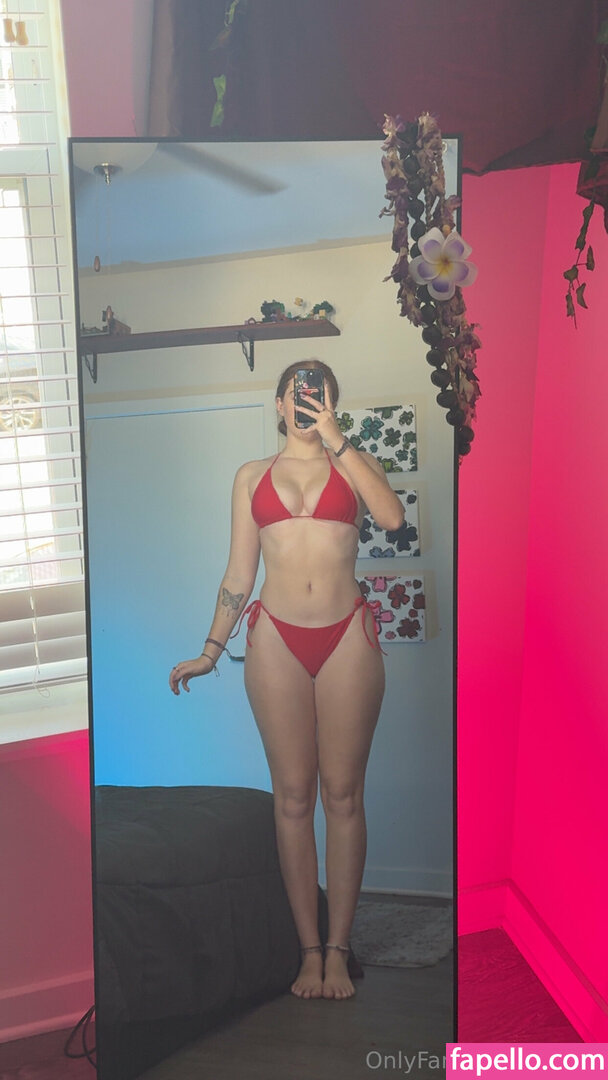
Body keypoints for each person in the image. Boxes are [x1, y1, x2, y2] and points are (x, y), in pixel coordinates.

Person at [169, 359, 405, 1001]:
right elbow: (238, 574)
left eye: (319, 396)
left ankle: (339, 949)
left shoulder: (352, 464)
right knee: (293, 798)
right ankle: (308, 953)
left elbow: (390, 518)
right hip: (275, 637)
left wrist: (337, 438)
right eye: (298, 396)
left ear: (332, 403)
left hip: (347, 636)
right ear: (278, 405)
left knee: (344, 796)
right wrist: (210, 651)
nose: (306, 405)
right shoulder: (251, 476)